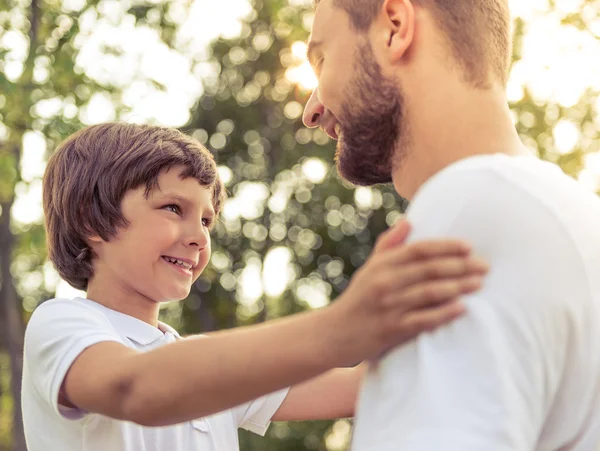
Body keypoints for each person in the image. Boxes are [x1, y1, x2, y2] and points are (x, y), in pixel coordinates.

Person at [21, 122, 488, 450]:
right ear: (91, 221)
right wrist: (342, 325)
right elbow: (134, 389)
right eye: (172, 208)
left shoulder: (206, 364)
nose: (199, 235)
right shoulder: (63, 323)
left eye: (206, 219)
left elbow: (358, 387)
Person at [302, 0, 600, 449]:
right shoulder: (564, 213)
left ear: (394, 27)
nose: (311, 110)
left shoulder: (471, 209)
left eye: (322, 57)